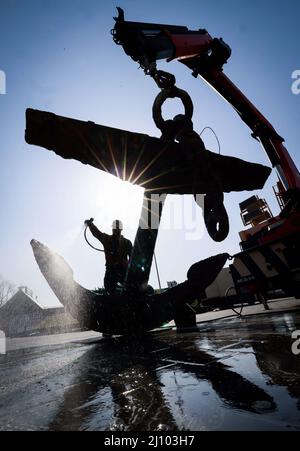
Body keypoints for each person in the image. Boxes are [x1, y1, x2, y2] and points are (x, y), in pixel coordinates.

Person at [85, 219, 133, 295]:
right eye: (115, 228)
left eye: (117, 228)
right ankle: (113, 297)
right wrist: (90, 225)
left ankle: (129, 295)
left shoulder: (126, 242)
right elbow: (97, 233)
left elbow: (132, 259)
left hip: (123, 270)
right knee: (108, 286)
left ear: (121, 229)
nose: (116, 229)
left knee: (130, 286)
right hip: (111, 270)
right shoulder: (107, 239)